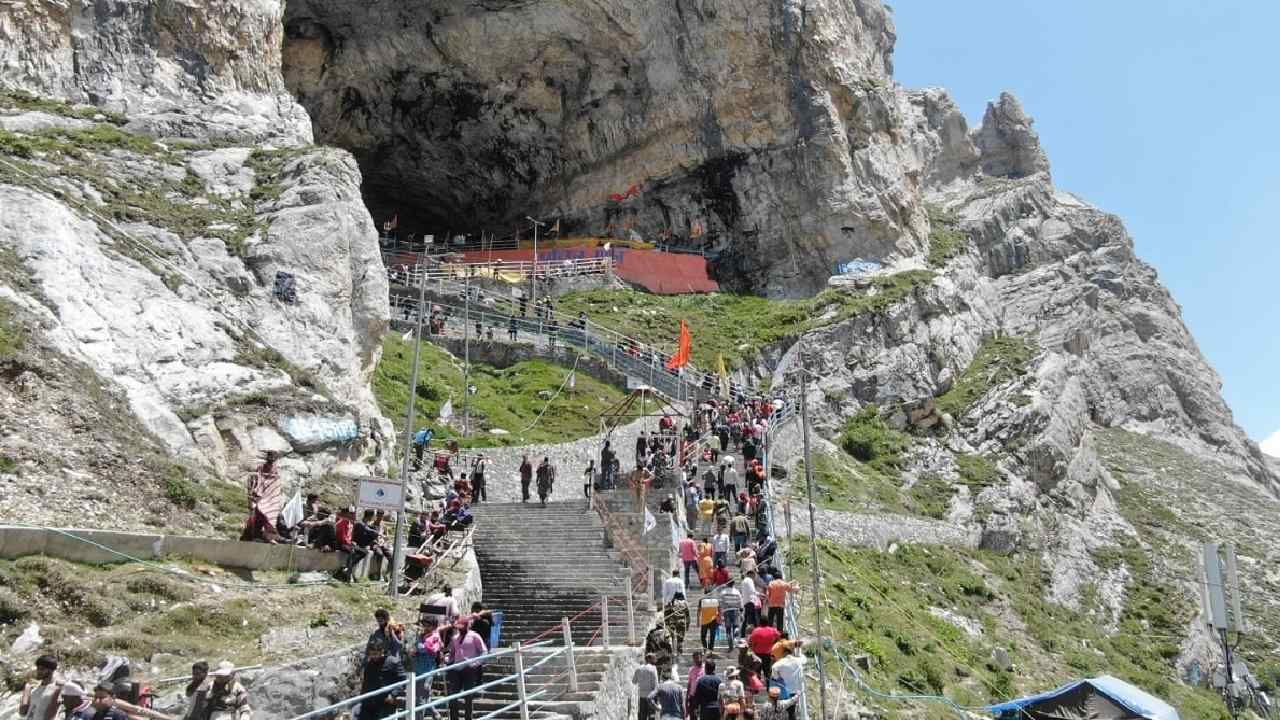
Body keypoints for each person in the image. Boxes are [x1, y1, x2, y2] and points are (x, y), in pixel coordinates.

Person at [446, 619, 488, 720]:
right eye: (459, 627)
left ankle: (468, 717)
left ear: (467, 626)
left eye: (462, 627)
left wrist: (475, 664)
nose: (460, 629)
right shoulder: (455, 638)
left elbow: (484, 651)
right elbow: (451, 654)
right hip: (456, 668)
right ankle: (454, 718)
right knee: (453, 695)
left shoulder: (475, 636)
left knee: (468, 695)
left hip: (469, 669)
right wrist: (447, 660)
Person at [358, 639, 406, 720]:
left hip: (386, 701)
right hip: (369, 702)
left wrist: (393, 694)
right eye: (371, 654)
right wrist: (363, 698)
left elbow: (403, 680)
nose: (374, 656)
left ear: (382, 651)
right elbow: (366, 682)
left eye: (376, 654)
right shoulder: (369, 664)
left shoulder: (392, 662)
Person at [242, 450, 284, 543]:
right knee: (258, 514)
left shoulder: (277, 470)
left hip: (271, 497)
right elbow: (256, 481)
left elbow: (276, 485)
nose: (271, 459)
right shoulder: (260, 468)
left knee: (270, 514)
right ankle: (255, 535)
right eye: (270, 456)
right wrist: (254, 492)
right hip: (260, 496)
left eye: (273, 457)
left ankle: (270, 536)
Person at [185, 661, 250, 720]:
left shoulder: (238, 688)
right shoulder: (209, 686)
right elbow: (198, 706)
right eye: (219, 676)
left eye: (224, 676)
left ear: (232, 675)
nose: (221, 678)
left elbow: (245, 709)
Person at [409, 618, 444, 720]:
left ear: (433, 626)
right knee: (423, 695)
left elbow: (434, 650)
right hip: (418, 668)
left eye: (428, 625)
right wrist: (414, 651)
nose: (426, 628)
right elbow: (415, 648)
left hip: (429, 669)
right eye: (424, 625)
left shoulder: (436, 637)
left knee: (421, 696)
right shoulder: (420, 636)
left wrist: (421, 647)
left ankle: (419, 718)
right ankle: (435, 714)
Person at [769, 643, 806, 719]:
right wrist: (799, 649)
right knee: (792, 711)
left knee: (780, 710)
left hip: (782, 692)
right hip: (794, 691)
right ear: (791, 652)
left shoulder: (778, 664)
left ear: (784, 652)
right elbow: (804, 659)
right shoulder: (798, 661)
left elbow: (775, 676)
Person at [21, 655, 62, 720]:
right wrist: (26, 691)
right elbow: (22, 712)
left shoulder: (56, 688)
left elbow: (51, 716)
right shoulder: (35, 689)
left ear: (51, 671)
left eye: (42, 669)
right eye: (38, 668)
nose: (38, 671)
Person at [633, 654, 660, 720]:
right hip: (651, 696)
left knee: (642, 716)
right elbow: (656, 685)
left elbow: (634, 681)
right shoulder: (653, 668)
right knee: (651, 716)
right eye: (654, 659)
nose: (655, 660)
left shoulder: (638, 669)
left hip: (642, 696)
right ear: (650, 659)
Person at [719, 581, 743, 650]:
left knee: (728, 627)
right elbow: (740, 601)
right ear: (733, 584)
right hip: (735, 610)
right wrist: (741, 611)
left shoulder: (723, 592)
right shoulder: (737, 591)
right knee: (736, 626)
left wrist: (721, 612)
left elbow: (720, 603)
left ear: (727, 583)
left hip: (726, 611)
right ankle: (735, 637)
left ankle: (730, 642)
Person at [685, 651, 705, 720]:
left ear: (701, 658)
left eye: (698, 658)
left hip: (703, 696)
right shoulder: (691, 670)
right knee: (693, 716)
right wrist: (687, 697)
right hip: (693, 696)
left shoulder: (705, 668)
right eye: (695, 658)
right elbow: (689, 684)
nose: (697, 660)